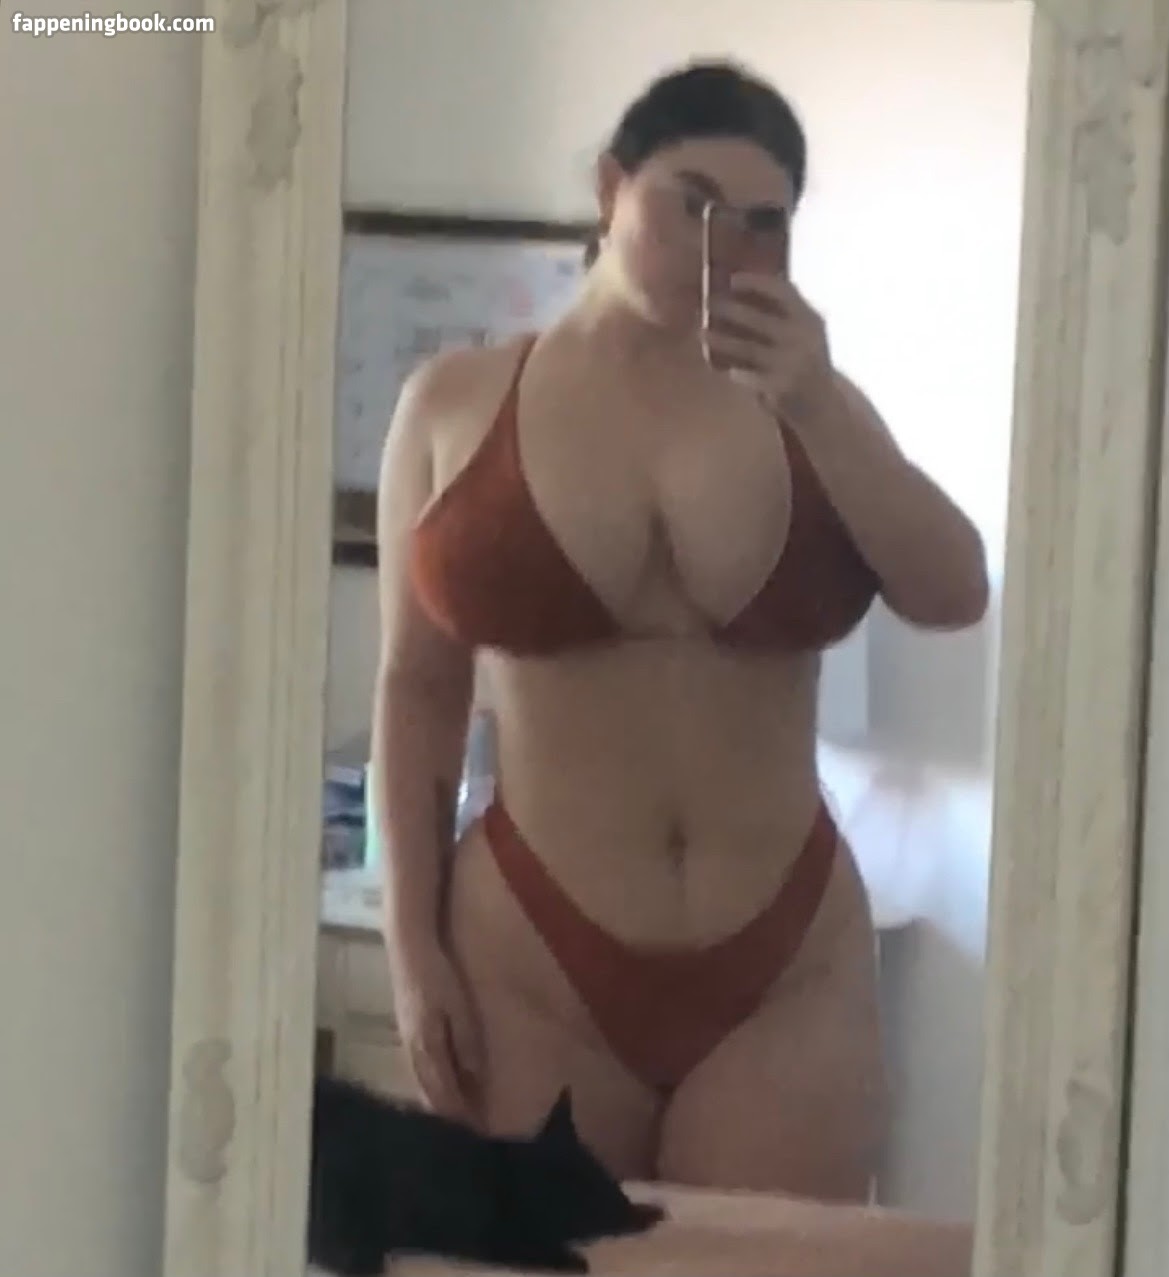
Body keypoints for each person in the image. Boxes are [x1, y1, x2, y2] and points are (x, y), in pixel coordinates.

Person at [372, 59, 988, 1200]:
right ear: (611, 188)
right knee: (548, 1261)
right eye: (689, 202)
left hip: (784, 962)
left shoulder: (812, 405)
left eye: (761, 221)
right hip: (529, 957)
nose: (720, 243)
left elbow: (954, 592)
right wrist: (410, 950)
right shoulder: (453, 404)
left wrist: (816, 401)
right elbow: (417, 688)